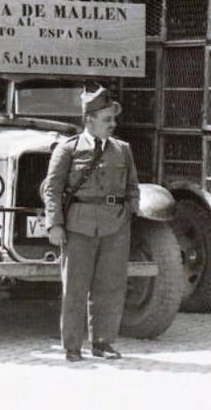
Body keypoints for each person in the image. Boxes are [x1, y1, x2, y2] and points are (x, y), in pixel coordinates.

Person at [41, 86, 140, 363]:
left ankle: (103, 342)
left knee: (110, 286)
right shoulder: (68, 149)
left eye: (113, 119)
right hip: (78, 226)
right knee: (75, 287)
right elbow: (52, 189)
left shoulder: (123, 149)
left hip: (115, 226)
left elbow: (132, 186)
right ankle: (72, 345)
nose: (113, 125)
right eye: (107, 119)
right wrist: (55, 225)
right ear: (90, 120)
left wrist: (130, 211)